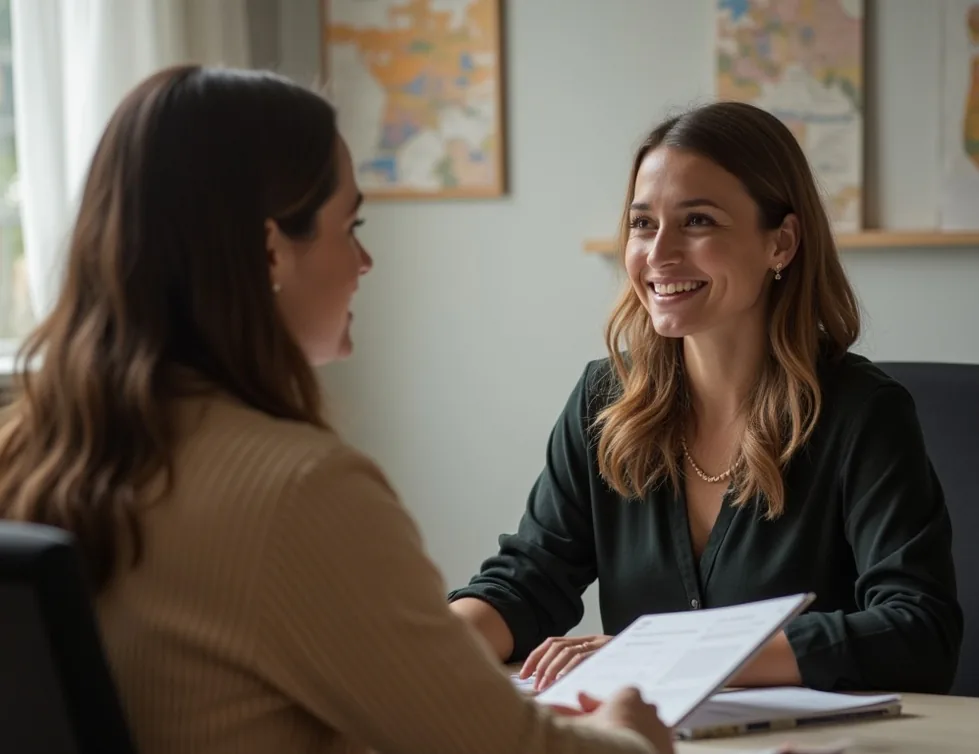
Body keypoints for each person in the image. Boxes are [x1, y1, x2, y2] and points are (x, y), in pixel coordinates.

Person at [0, 66, 675, 754]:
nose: (365, 260)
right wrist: (630, 735)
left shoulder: (31, 451)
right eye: (349, 225)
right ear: (270, 252)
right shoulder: (299, 492)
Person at [449, 101, 963, 695]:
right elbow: (528, 582)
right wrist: (420, 647)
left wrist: (666, 657)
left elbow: (917, 633)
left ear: (782, 243)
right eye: (643, 224)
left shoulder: (862, 413)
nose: (659, 254)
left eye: (698, 222)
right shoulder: (604, 401)